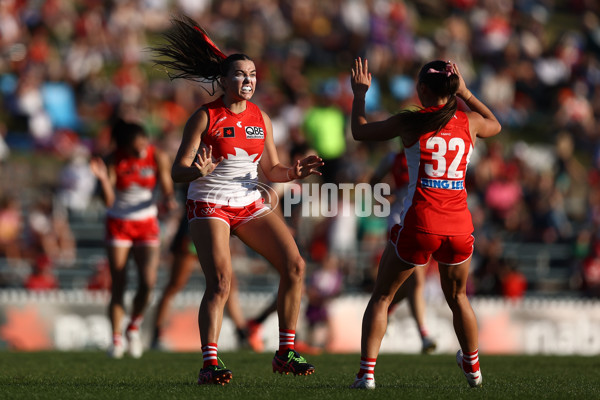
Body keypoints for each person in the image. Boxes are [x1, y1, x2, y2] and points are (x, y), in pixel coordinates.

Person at [153, 16, 323, 385]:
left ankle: (285, 353)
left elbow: (272, 169)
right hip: (209, 202)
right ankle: (209, 364)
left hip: (247, 201)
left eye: (253, 75)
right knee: (221, 282)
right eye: (241, 75)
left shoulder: (261, 118)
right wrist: (197, 171)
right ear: (224, 80)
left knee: (295, 265)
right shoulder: (204, 117)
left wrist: (294, 172)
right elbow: (177, 171)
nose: (248, 81)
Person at [349, 58, 501, 389]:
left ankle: (366, 375)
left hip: (421, 223)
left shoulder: (410, 122)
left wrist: (360, 94)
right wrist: (467, 92)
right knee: (459, 297)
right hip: (460, 226)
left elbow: (359, 131)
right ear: (453, 88)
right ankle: (473, 369)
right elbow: (496, 124)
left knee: (382, 297)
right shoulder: (469, 122)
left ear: (421, 89)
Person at [90, 119, 176, 359]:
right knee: (118, 282)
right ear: (124, 146)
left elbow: (167, 185)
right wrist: (104, 180)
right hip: (118, 223)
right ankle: (116, 338)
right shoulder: (112, 160)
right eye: (136, 146)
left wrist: (168, 199)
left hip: (147, 223)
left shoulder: (156, 156)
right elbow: (108, 201)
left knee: (148, 282)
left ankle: (134, 327)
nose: (141, 149)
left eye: (143, 143)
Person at [150, 203, 258, 352]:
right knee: (176, 285)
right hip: (190, 234)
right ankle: (157, 334)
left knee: (227, 284)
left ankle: (241, 333)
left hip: (210, 231)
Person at [370, 149, 437, 354]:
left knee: (410, 282)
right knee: (416, 279)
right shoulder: (392, 157)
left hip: (421, 218)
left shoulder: (427, 152)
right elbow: (374, 181)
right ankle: (423, 335)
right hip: (399, 219)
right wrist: (386, 196)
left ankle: (388, 306)